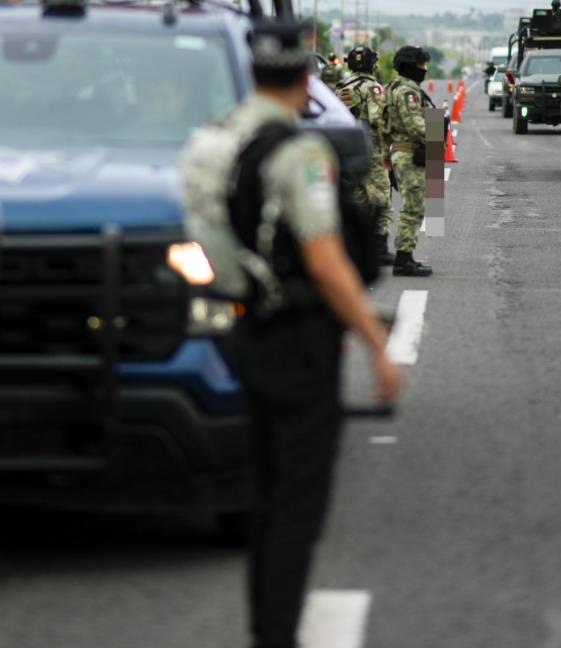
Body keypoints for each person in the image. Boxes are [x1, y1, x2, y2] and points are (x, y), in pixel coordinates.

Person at [179, 20, 402, 648]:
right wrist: (374, 341)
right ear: (307, 78)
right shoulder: (300, 152)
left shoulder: (209, 140)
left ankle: (265, 628)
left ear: (250, 72)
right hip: (299, 340)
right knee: (295, 510)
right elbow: (327, 260)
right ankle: (275, 633)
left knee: (264, 498)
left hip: (239, 327)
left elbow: (203, 238)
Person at [336, 45, 394, 265]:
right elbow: (378, 120)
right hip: (372, 153)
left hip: (347, 153)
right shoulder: (374, 88)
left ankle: (353, 249)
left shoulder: (342, 87)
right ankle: (379, 249)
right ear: (372, 64)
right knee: (381, 200)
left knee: (356, 200)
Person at [385, 45, 435, 277]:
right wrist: (437, 134)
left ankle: (406, 257)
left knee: (412, 205)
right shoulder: (407, 92)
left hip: (401, 152)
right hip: (409, 153)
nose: (424, 70)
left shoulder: (394, 87)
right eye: (421, 66)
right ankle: (403, 259)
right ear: (411, 67)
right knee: (412, 206)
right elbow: (416, 126)